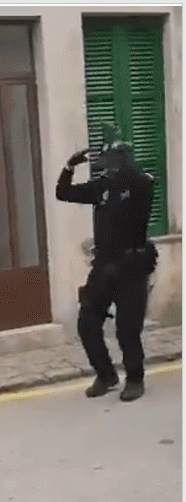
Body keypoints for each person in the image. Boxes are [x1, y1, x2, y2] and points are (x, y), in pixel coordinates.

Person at [56, 133, 158, 402]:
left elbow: (141, 180)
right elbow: (63, 193)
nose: (107, 164)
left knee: (127, 328)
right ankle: (106, 375)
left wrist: (118, 149)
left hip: (132, 266)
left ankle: (135, 378)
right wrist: (70, 166)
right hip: (104, 266)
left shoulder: (140, 184)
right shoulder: (102, 187)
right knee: (87, 323)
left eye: (113, 159)